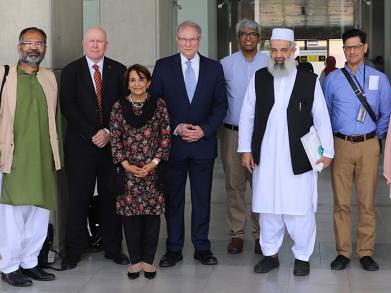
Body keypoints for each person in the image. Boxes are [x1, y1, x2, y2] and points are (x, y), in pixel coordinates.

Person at [238, 28, 334, 276]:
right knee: (268, 207)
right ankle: (270, 254)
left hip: (299, 155)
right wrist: (246, 149)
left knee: (299, 208)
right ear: (269, 51)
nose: (278, 55)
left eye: (283, 50)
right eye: (274, 50)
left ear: (293, 51)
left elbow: (321, 118)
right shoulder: (259, 77)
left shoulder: (308, 81)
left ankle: (302, 256)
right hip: (266, 155)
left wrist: (328, 151)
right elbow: (247, 115)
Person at [150, 20, 227, 267]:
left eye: (192, 39)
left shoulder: (214, 68)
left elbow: (220, 105)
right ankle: (173, 248)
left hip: (203, 145)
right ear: (177, 39)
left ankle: (202, 247)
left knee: (202, 199)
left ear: (199, 40)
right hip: (174, 145)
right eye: (184, 39)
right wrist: (176, 127)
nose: (188, 43)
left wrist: (204, 130)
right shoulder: (163, 67)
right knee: (173, 200)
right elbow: (155, 105)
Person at [60, 27, 128, 270]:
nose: (96, 45)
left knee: (112, 198)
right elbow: (68, 107)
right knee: (78, 199)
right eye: (91, 41)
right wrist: (92, 134)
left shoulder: (119, 70)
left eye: (100, 41)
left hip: (111, 147)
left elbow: (123, 107)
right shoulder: (70, 71)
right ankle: (73, 251)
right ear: (83, 43)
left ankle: (113, 248)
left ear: (106, 45)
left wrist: (108, 132)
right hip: (80, 146)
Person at [323, 28, 391, 272]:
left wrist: (376, 138)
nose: (351, 51)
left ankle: (365, 252)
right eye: (347, 47)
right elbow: (325, 114)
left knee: (367, 202)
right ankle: (343, 251)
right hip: (340, 144)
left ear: (365, 47)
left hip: (368, 145)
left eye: (355, 46)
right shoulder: (332, 79)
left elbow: (385, 113)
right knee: (340, 202)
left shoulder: (379, 79)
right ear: (343, 50)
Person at [0, 27, 62, 287]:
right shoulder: (4, 75)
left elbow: (56, 119)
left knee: (39, 212)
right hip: (13, 156)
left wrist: (55, 155)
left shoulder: (48, 78)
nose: (33, 48)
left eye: (39, 44)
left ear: (45, 49)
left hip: (42, 156)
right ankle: (9, 265)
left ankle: (30, 262)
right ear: (19, 47)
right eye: (28, 43)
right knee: (13, 214)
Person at [110, 64, 171, 280]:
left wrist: (153, 163)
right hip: (128, 173)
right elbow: (115, 138)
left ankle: (148, 260)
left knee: (152, 219)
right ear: (127, 84)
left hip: (152, 171)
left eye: (141, 79)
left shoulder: (158, 104)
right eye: (132, 80)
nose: (137, 84)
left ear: (149, 83)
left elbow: (165, 135)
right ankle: (135, 261)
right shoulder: (119, 106)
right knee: (130, 219)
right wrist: (125, 164)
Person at [219, 19, 268, 255]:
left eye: (252, 34)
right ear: (237, 38)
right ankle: (236, 234)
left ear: (259, 38)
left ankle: (261, 235)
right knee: (234, 186)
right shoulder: (225, 65)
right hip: (232, 135)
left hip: (263, 136)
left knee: (261, 185)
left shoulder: (271, 63)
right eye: (243, 34)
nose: (248, 37)